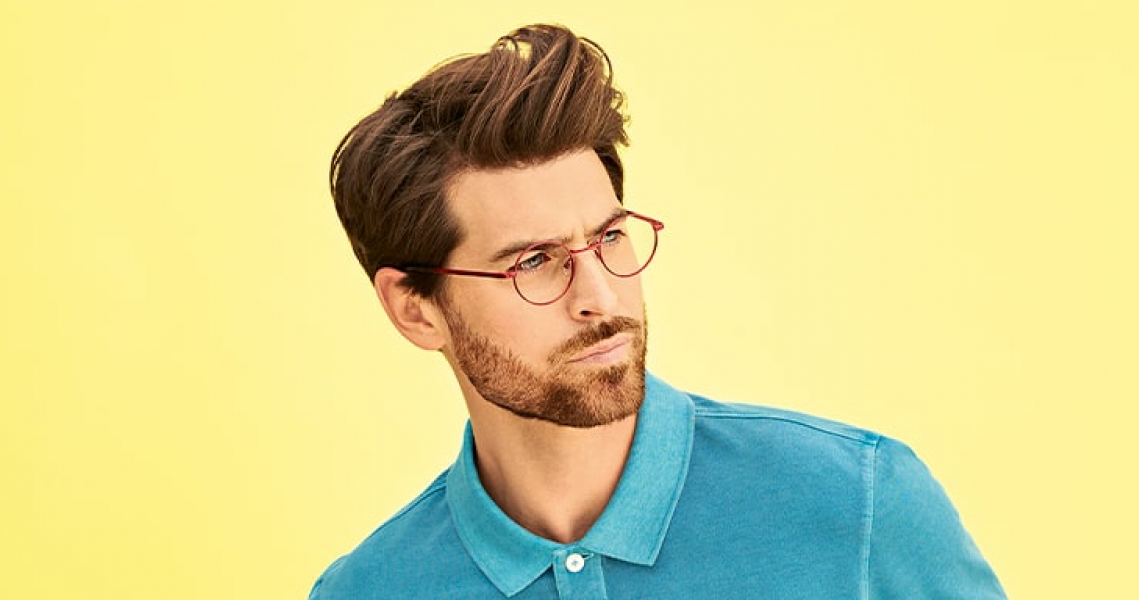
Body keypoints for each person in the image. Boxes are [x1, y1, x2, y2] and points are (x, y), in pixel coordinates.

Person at [314, 23, 1006, 599]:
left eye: (610, 238)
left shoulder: (861, 503)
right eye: (533, 261)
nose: (600, 297)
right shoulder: (369, 590)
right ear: (415, 309)